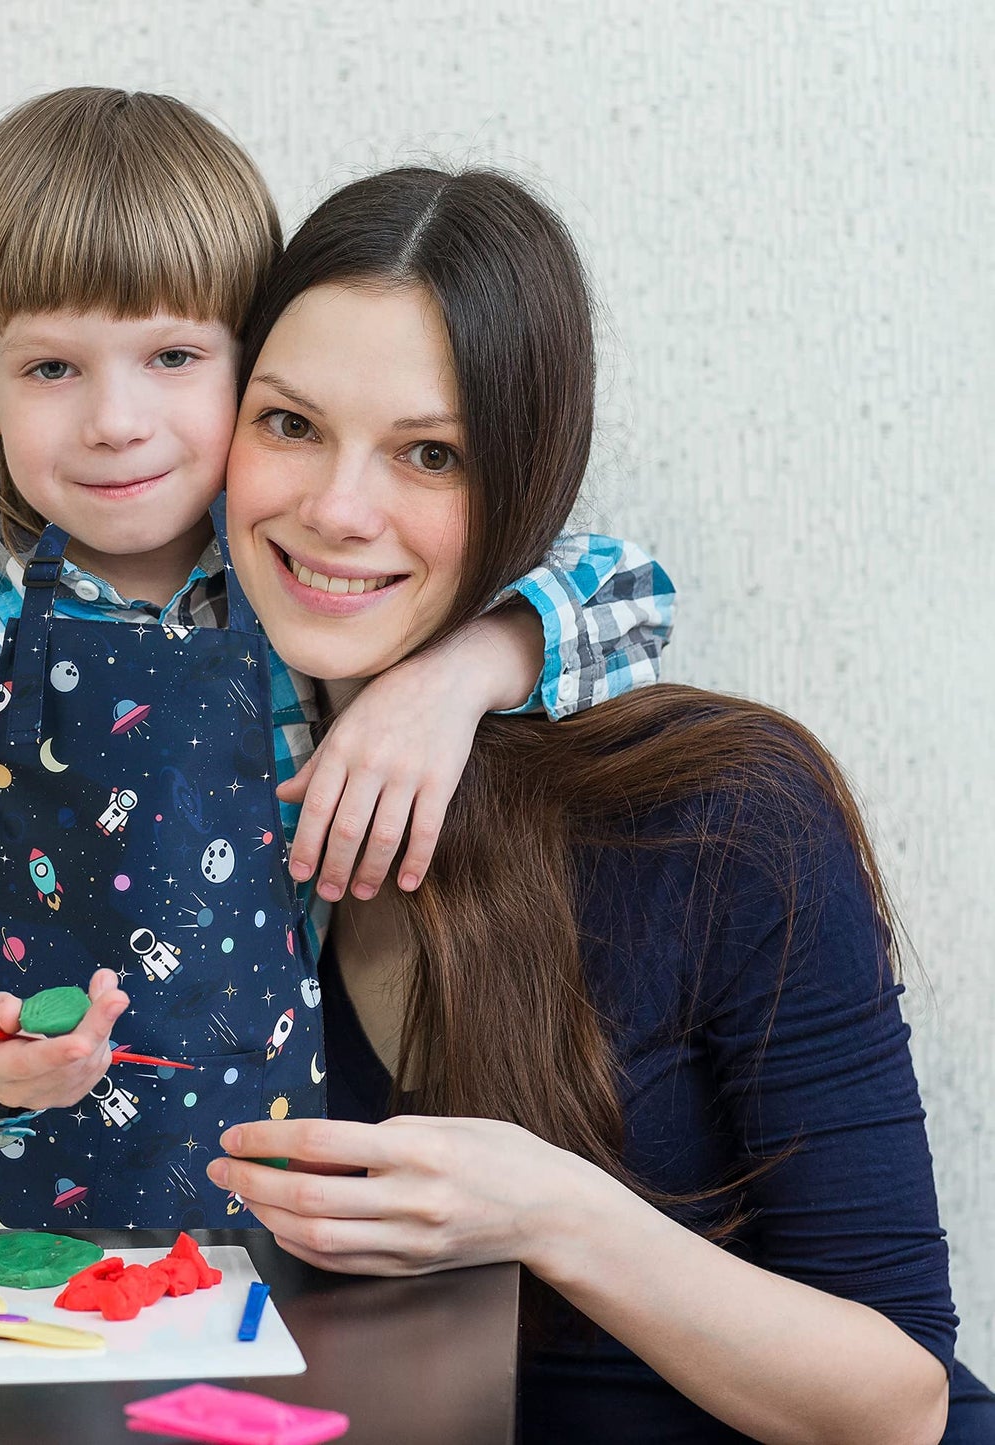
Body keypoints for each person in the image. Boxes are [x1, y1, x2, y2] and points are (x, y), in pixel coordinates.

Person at [0, 89, 676, 1231]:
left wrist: (458, 671)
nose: (116, 420)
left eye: (171, 354)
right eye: (50, 369)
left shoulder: (303, 613)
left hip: (230, 1245)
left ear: (248, 365)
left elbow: (631, 589)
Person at [207, 166, 994, 1441]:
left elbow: (899, 1401)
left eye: (429, 452)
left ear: (523, 479)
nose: (335, 507)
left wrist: (548, 1211)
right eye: (288, 424)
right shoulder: (186, 810)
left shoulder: (721, 814)